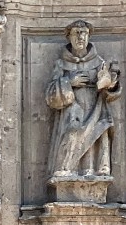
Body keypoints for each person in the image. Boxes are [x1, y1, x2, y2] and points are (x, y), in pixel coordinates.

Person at [45, 20, 120, 183]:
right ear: (69, 37)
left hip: (96, 110)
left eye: (84, 33)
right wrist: (68, 82)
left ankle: (91, 173)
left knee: (94, 139)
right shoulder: (61, 64)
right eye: (76, 33)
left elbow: (110, 93)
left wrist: (109, 84)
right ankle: (66, 170)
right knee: (72, 132)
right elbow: (50, 94)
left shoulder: (99, 62)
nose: (80, 37)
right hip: (72, 112)